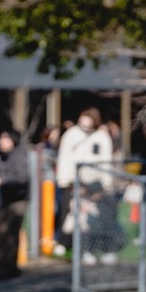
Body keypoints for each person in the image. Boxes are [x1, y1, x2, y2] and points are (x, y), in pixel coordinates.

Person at [53, 108, 113, 256]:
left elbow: (106, 161)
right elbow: (64, 158)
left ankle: (90, 247)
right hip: (73, 181)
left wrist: (106, 183)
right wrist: (64, 179)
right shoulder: (71, 134)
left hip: (94, 182)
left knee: (92, 216)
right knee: (69, 213)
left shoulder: (101, 137)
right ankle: (64, 242)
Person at [0, 132, 31, 280]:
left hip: (18, 199)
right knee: (2, 233)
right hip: (6, 199)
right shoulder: (1, 156)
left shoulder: (19, 155)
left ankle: (10, 268)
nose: (1, 142)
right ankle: (4, 266)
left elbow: (22, 177)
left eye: (5, 139)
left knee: (11, 233)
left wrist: (2, 181)